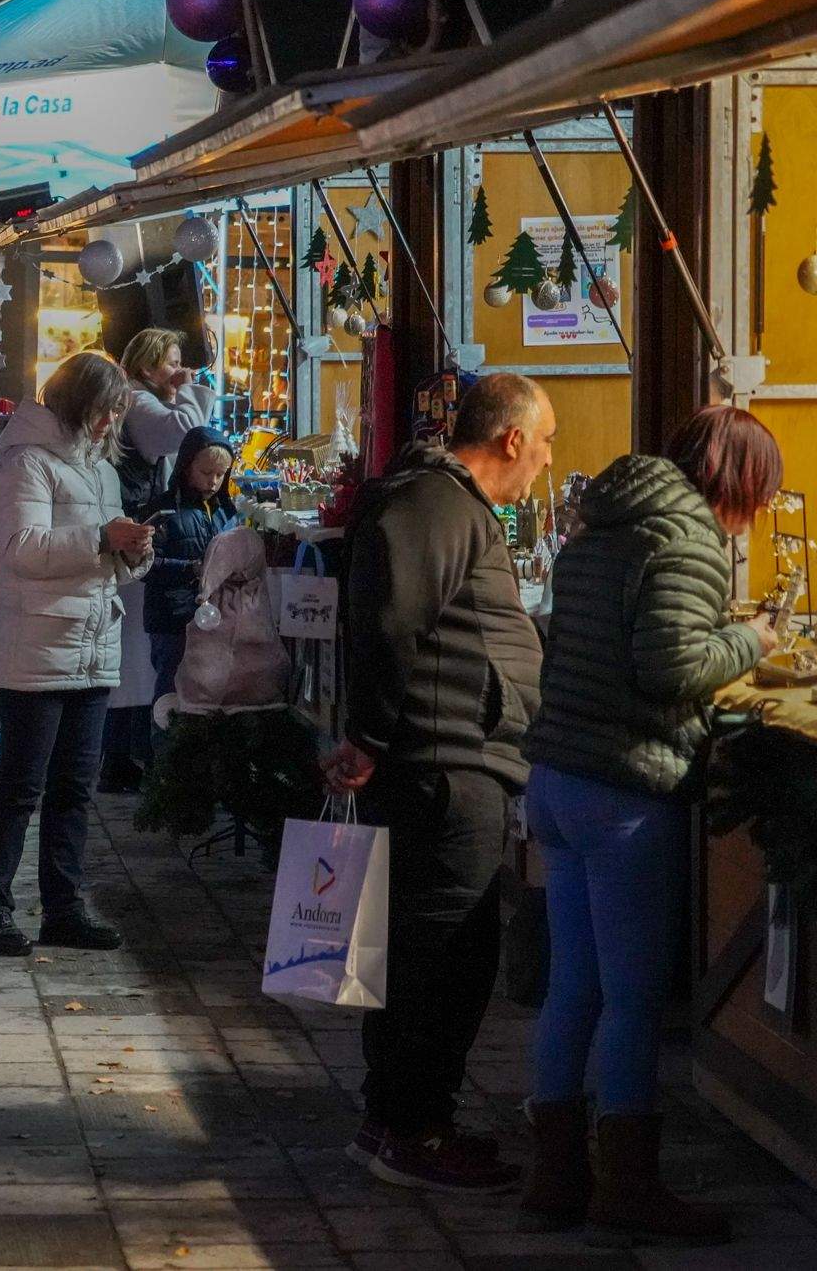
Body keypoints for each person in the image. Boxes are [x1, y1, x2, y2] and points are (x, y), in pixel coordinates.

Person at [518, 406, 783, 1245]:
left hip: (558, 779)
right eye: (760, 493)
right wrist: (752, 636)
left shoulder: (605, 525)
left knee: (574, 985)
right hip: (623, 789)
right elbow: (672, 667)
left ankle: (554, 1174)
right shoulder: (689, 539)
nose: (757, 512)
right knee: (632, 999)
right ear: (736, 483)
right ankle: (626, 1186)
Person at [330, 372, 556, 1193]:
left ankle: (402, 1119)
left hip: (453, 757)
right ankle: (412, 1130)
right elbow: (390, 620)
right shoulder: (438, 503)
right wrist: (371, 734)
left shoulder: (446, 502)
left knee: (436, 951)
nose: (546, 458)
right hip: (443, 764)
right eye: (546, 439)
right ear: (510, 439)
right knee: (441, 955)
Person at [0, 352, 152, 955]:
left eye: (118, 412)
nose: (111, 422)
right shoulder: (26, 462)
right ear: (77, 403)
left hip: (93, 645)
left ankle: (63, 908)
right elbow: (20, 550)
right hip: (37, 649)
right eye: (105, 409)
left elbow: (105, 565)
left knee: (75, 786)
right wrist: (101, 538)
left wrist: (132, 550)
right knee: (21, 785)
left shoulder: (101, 470)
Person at [104, 327, 220, 791]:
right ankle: (122, 757)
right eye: (171, 361)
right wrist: (187, 389)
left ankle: (124, 755)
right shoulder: (138, 402)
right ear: (148, 366)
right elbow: (182, 434)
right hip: (134, 536)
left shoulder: (142, 400)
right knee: (132, 659)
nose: (179, 369)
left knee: (134, 660)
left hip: (140, 533)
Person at [140, 426, 239, 731]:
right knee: (171, 696)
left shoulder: (225, 510)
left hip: (214, 618)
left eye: (220, 474)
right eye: (206, 471)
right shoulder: (163, 510)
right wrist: (188, 568)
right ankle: (164, 765)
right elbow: (144, 565)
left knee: (207, 695)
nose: (212, 481)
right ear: (186, 467)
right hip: (173, 620)